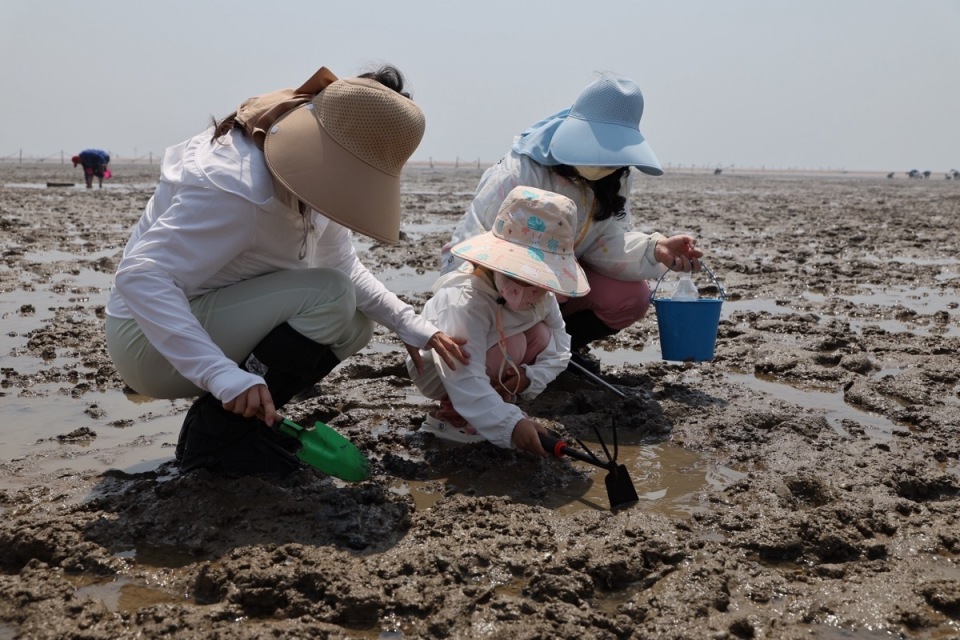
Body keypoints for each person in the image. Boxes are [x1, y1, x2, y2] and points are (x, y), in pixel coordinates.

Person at [104, 65, 469, 477]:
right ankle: (216, 435)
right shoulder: (238, 187)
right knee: (330, 296)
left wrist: (411, 325)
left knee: (354, 322)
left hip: (204, 323)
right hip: (146, 342)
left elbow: (343, 264)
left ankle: (241, 425)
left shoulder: (318, 182)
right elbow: (142, 277)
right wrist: (221, 375)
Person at [440, 73, 704, 375]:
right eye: (598, 144)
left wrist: (654, 249)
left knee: (633, 297)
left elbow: (606, 241)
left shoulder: (616, 176)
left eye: (614, 151)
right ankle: (529, 351)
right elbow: (475, 246)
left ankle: (563, 352)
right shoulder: (522, 171)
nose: (606, 160)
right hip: (504, 285)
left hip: (561, 282)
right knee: (513, 347)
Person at [408, 186, 590, 457]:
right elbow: (462, 372)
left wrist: (530, 378)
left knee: (541, 334)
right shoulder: (466, 298)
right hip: (439, 370)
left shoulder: (543, 296)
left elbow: (561, 345)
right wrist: (510, 426)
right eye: (519, 275)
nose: (530, 287)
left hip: (493, 354)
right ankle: (453, 416)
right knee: (514, 343)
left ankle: (494, 403)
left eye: (538, 280)